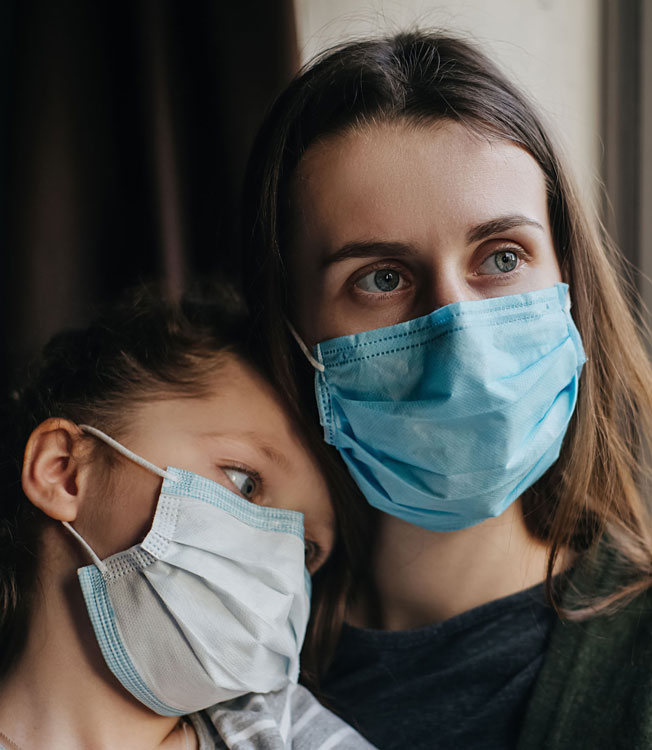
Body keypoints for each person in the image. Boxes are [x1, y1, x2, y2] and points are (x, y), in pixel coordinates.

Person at [241, 31, 652, 749]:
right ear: (294, 333)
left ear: (568, 282)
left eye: (502, 256)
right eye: (381, 277)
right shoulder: (228, 661)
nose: (459, 331)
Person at [0, 283, 377, 750]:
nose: (278, 556)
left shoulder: (290, 733)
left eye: (305, 549)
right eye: (245, 482)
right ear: (65, 471)